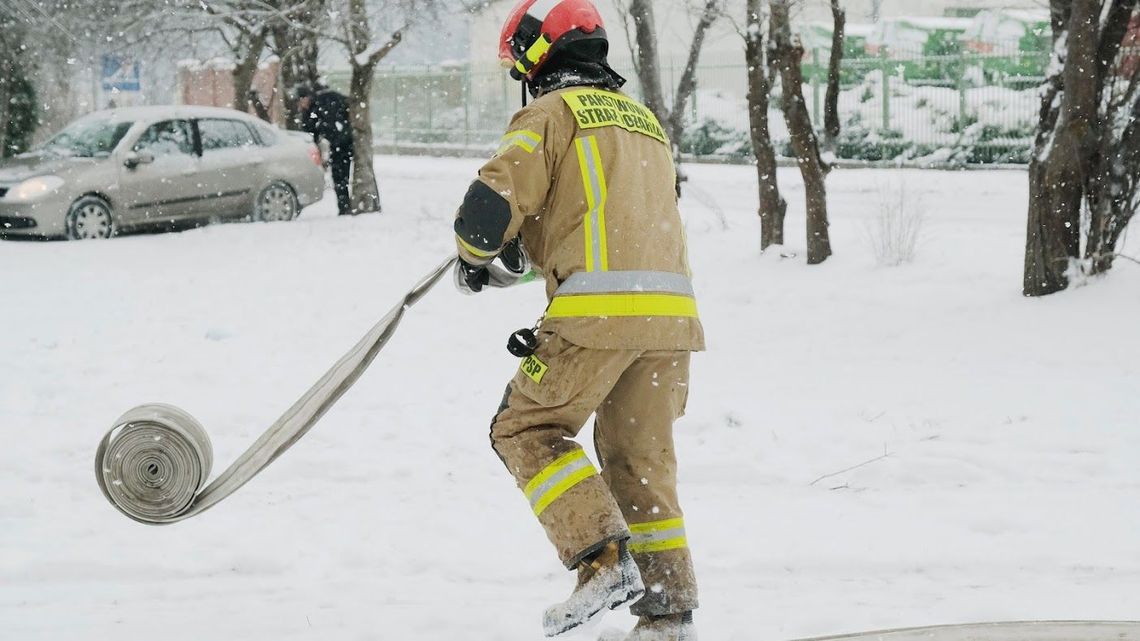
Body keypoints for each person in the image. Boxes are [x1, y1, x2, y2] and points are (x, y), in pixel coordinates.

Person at [451, 2, 704, 639]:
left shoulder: (548, 114)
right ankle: (669, 614)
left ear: (538, 57)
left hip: (596, 315)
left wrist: (475, 255)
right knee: (639, 461)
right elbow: (604, 214)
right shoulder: (644, 123)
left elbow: (488, 206)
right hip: (670, 320)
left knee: (525, 429)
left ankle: (602, 560)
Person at [296, 84, 355, 216]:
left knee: (341, 176)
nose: (301, 105)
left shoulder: (326, 100)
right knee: (339, 177)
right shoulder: (312, 111)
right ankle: (344, 206)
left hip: (344, 142)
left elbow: (320, 128)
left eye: (301, 100)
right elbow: (310, 134)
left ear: (307, 98)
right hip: (338, 143)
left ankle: (345, 206)